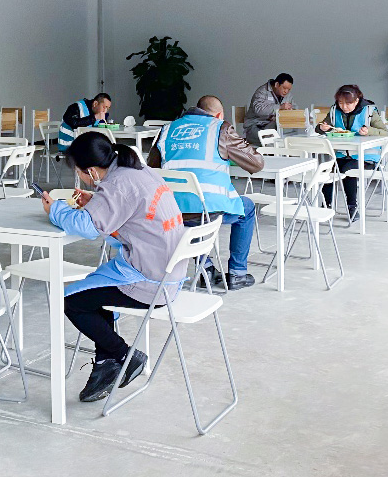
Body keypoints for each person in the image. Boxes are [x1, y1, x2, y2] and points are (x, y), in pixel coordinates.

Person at [41, 132, 189, 402]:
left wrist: (56, 210)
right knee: (93, 288)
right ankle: (105, 365)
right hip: (169, 272)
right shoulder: (137, 170)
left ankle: (123, 355)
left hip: (149, 279)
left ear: (90, 171)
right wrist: (96, 204)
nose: (80, 178)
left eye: (78, 172)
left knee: (71, 301)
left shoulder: (117, 184)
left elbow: (87, 227)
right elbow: (128, 214)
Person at [148, 95, 263, 290]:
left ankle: (206, 268)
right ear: (218, 115)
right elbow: (257, 164)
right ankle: (237, 273)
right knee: (247, 208)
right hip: (209, 210)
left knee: (192, 210)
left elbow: (152, 168)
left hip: (171, 211)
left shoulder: (167, 129)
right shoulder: (220, 128)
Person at [314, 84, 388, 220]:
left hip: (366, 156)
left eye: (348, 103)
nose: (344, 107)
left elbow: (384, 132)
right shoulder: (334, 110)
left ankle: (352, 207)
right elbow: (320, 127)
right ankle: (326, 206)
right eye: (341, 103)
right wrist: (322, 128)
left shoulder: (369, 111)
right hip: (343, 155)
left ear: (356, 101)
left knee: (348, 170)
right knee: (328, 170)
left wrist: (369, 131)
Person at [244, 73, 295, 145]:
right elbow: (258, 109)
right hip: (256, 127)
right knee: (274, 140)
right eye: (284, 88)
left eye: (288, 89)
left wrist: (291, 111)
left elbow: (294, 108)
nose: (286, 91)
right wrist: (279, 107)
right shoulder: (262, 91)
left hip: (272, 126)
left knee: (289, 135)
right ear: (277, 84)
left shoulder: (288, 95)